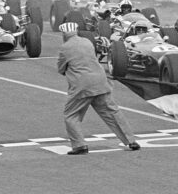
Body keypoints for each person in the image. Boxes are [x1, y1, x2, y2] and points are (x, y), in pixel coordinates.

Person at [57, 22, 139, 155]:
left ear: (64, 34)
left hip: (82, 87)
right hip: (100, 81)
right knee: (112, 112)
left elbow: (61, 68)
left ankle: (79, 145)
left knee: (71, 115)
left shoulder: (64, 47)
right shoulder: (87, 42)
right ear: (76, 31)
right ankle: (131, 141)